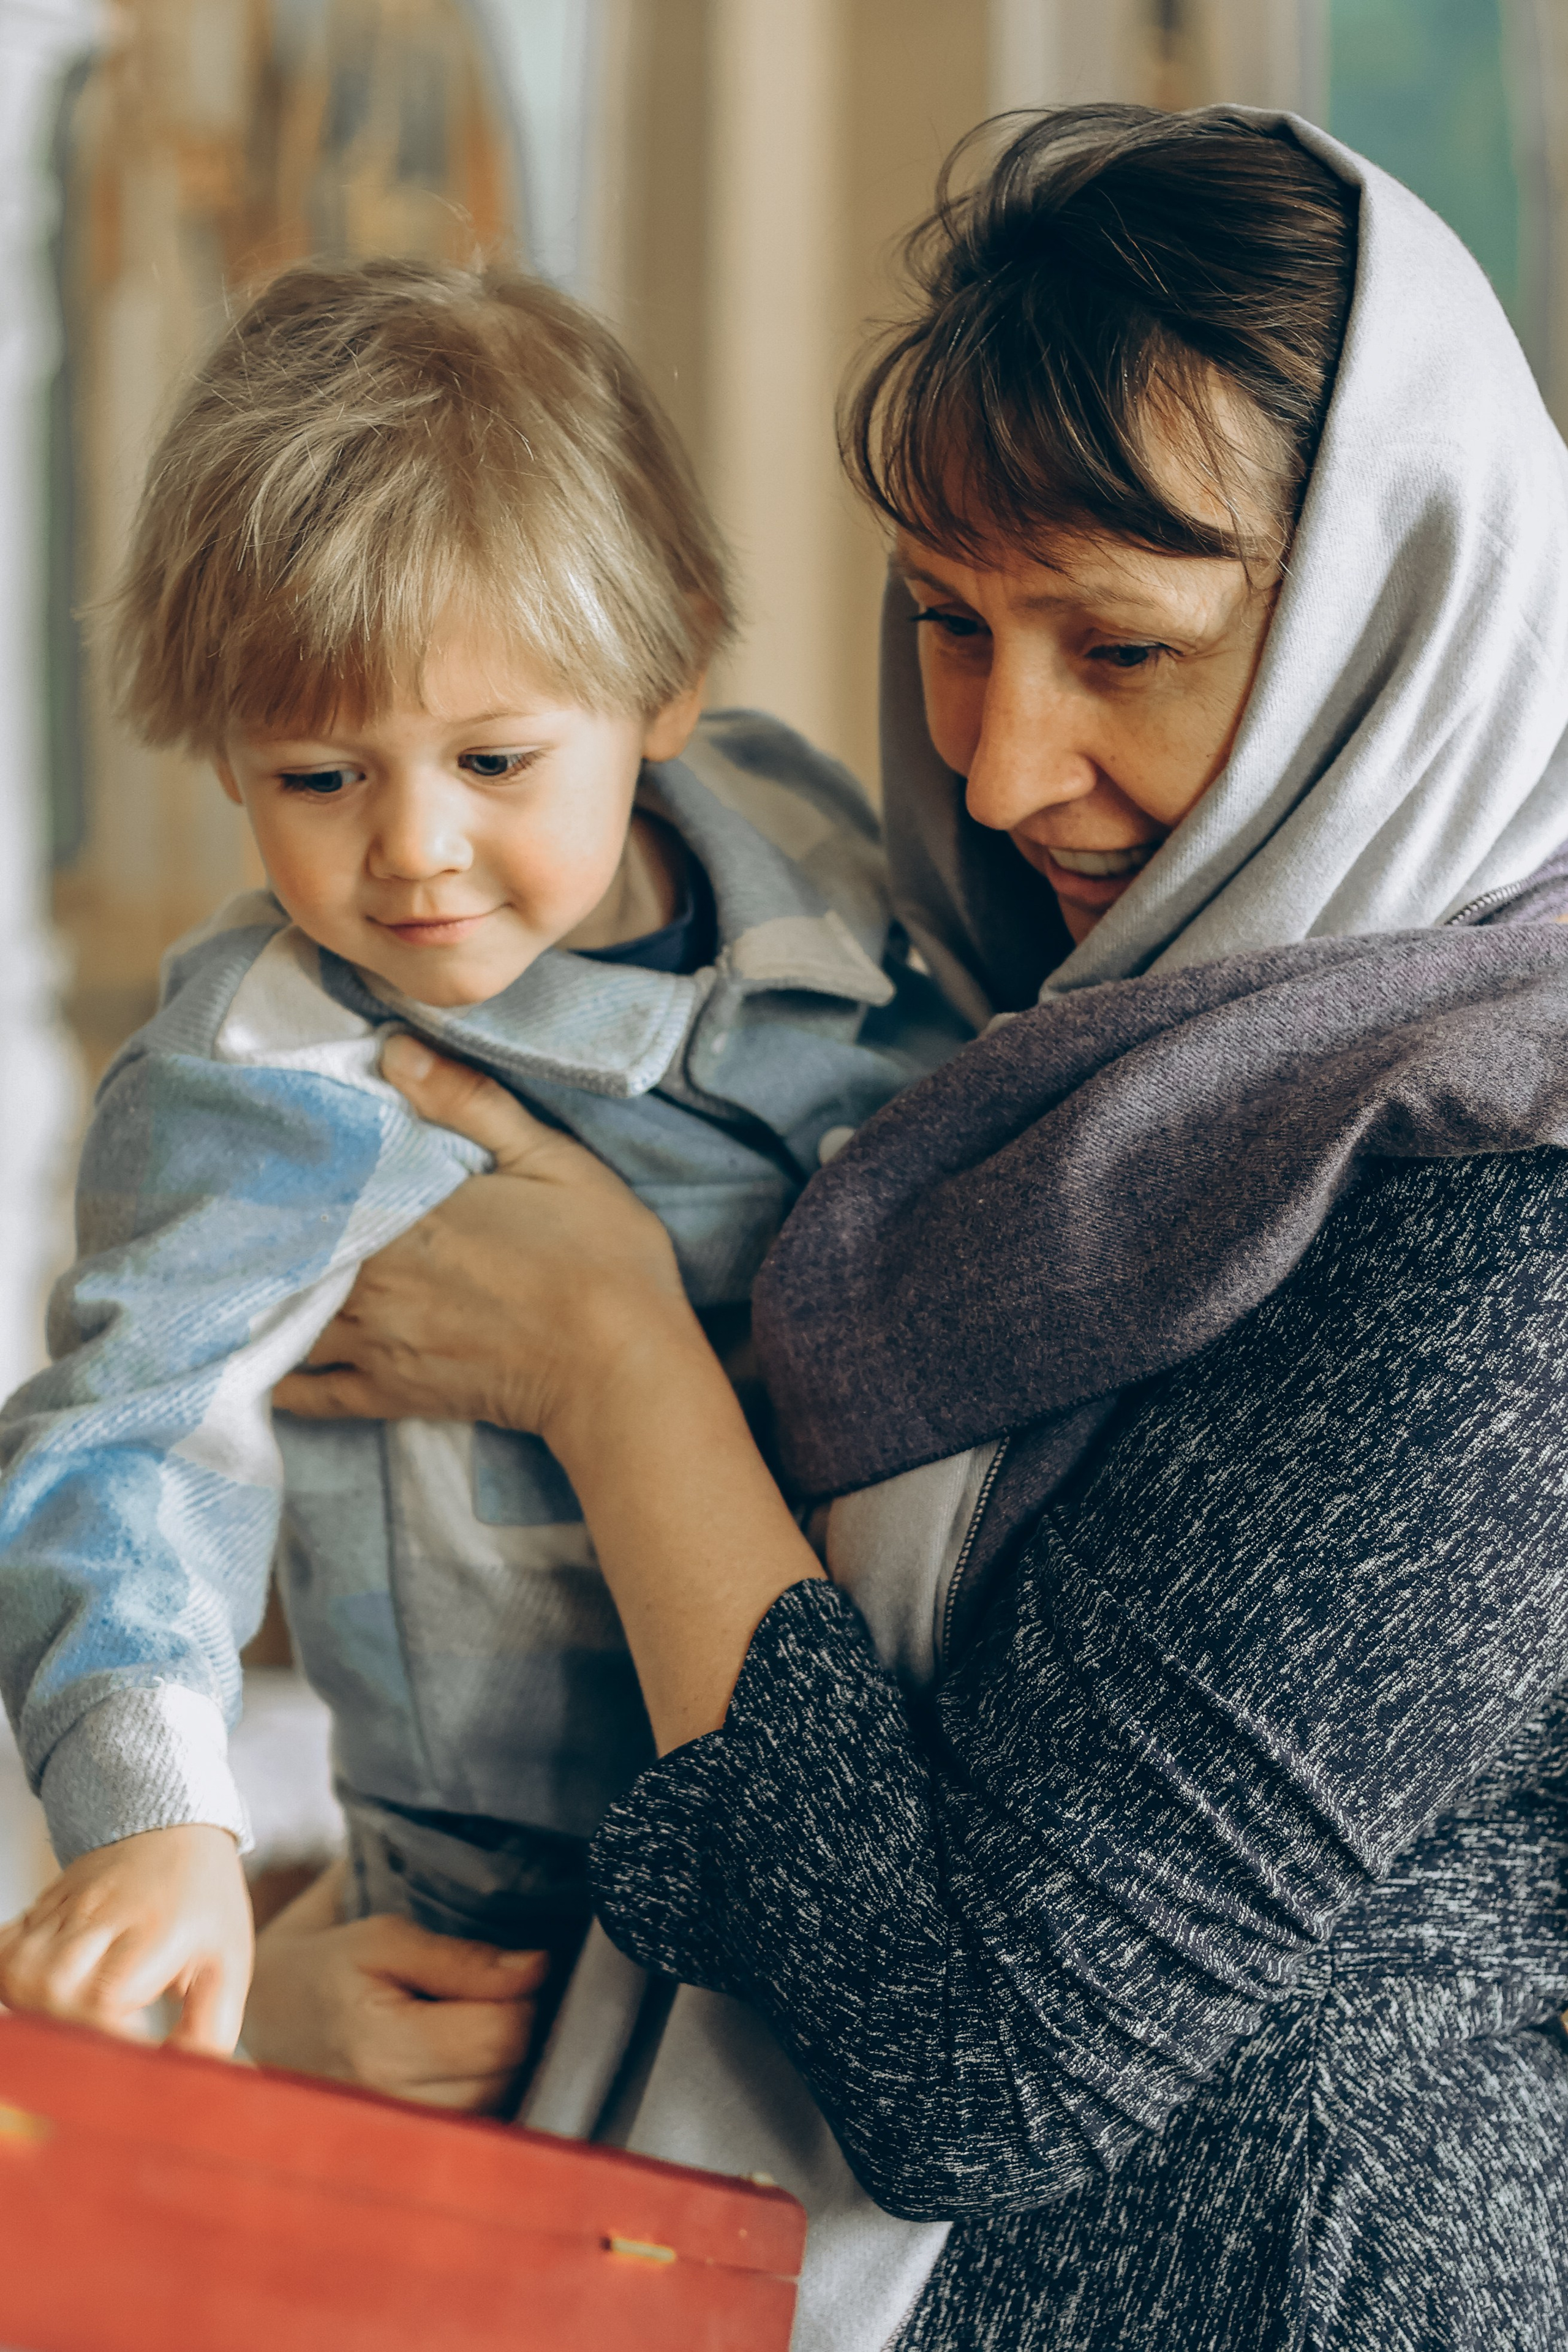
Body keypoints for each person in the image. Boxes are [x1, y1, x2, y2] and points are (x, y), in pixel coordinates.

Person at [252, 108, 1568, 2351]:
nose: (993, 761)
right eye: (951, 623)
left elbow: (978, 2057)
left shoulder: (1500, 1211)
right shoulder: (1008, 1062)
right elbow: (732, 1736)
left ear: (1400, 619)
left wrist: (614, 1371)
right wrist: (335, 1966)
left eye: (1123, 647)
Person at [0, 258, 959, 2059]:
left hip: (900, 1743)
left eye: (497, 757)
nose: (416, 849)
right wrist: (163, 1826)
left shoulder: (812, 836)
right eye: (316, 779)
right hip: (505, 1891)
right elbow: (119, 1451)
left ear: (665, 677)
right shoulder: (272, 1069)